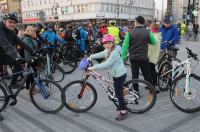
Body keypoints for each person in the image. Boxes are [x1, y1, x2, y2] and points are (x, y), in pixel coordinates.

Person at [0, 12, 34, 121]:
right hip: (4, 54)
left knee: (21, 63)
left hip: (3, 57)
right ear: (4, 21)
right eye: (10, 22)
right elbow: (6, 46)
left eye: (14, 23)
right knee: (18, 61)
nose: (12, 24)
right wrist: (16, 56)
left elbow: (21, 42)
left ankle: (13, 83)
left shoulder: (11, 32)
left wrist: (33, 50)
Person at [87, 34, 128, 121]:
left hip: (119, 75)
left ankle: (123, 111)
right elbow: (102, 53)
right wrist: (91, 56)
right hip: (116, 73)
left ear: (113, 43)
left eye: (109, 43)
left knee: (118, 93)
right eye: (105, 43)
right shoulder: (109, 49)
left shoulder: (114, 52)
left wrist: (93, 67)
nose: (107, 45)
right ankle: (122, 103)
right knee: (118, 91)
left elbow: (107, 64)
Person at [121, 16, 157, 92]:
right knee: (147, 75)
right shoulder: (148, 32)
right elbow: (154, 42)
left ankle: (136, 91)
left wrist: (123, 58)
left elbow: (124, 47)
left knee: (135, 76)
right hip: (144, 57)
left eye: (134, 22)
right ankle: (151, 90)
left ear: (136, 22)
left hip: (133, 58)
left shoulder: (129, 32)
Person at [21, 26, 39, 93]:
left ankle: (32, 88)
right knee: (30, 74)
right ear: (27, 31)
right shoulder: (26, 39)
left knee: (32, 74)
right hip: (29, 58)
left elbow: (35, 47)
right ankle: (28, 89)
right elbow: (30, 48)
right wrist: (36, 52)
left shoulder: (32, 38)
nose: (33, 31)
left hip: (33, 58)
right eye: (31, 30)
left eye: (34, 30)